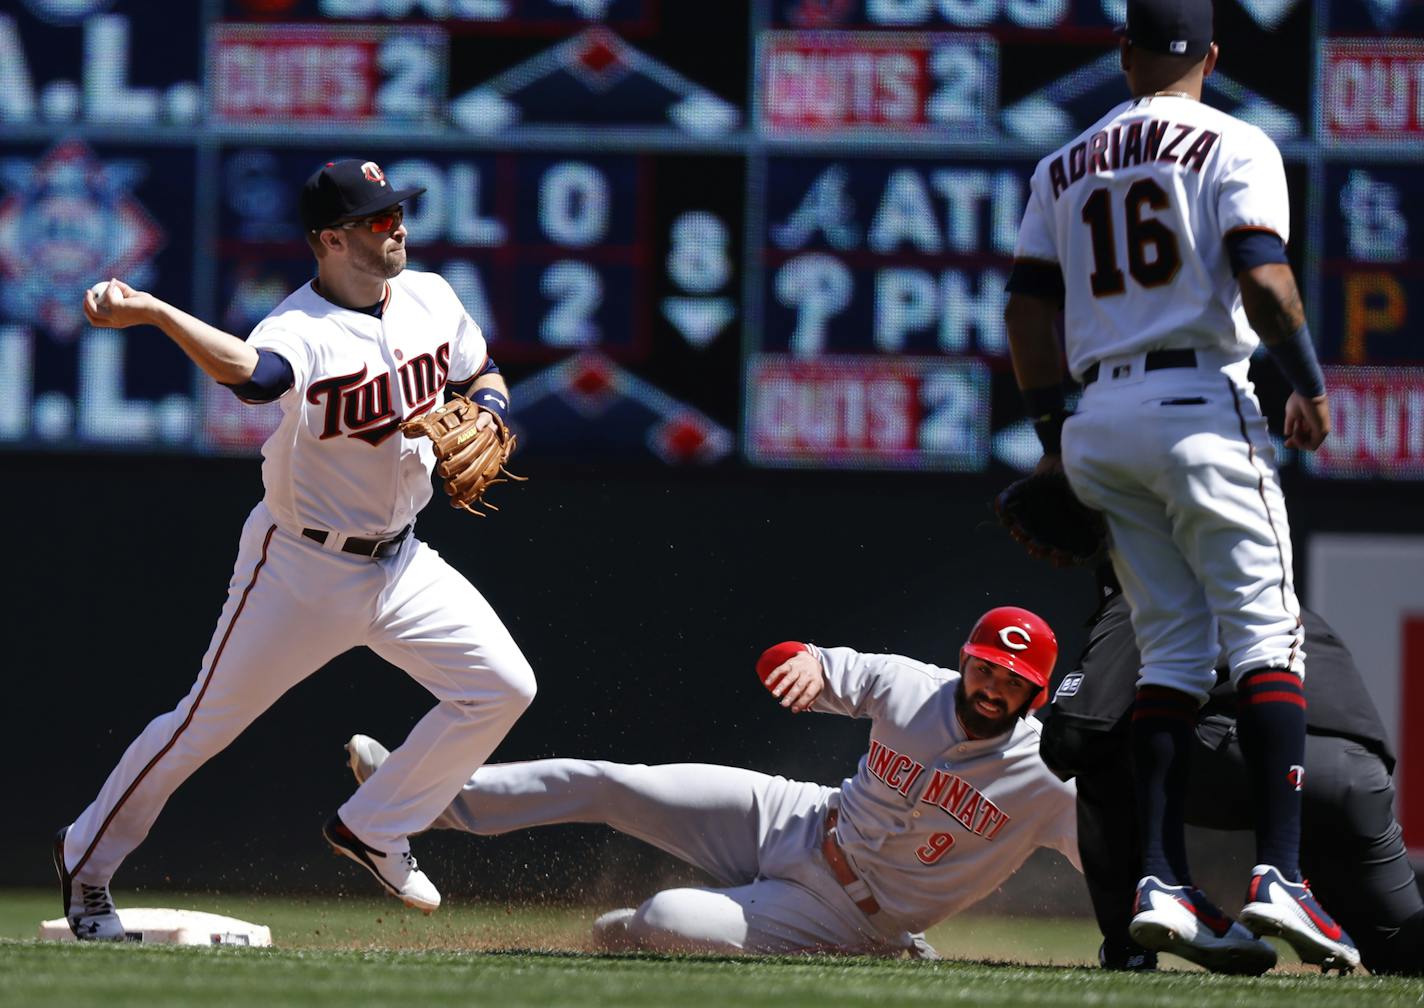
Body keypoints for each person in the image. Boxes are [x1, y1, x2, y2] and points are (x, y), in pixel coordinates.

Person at [56, 159, 537, 940]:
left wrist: (487, 411)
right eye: (378, 220)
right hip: (299, 570)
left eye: (397, 213)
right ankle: (86, 862)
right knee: (199, 726)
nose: (397, 229)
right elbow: (250, 374)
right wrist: (154, 312)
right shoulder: (298, 329)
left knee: (503, 686)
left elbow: (483, 373)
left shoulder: (432, 297)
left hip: (404, 562)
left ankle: (375, 826)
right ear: (329, 241)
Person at [1003, 0, 1357, 973]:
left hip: (1098, 419)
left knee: (1169, 653)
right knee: (1264, 635)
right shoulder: (1231, 142)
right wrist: (1306, 381)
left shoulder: (1061, 163)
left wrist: (1051, 438)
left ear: (1122, 54)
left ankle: (1159, 879)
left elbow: (1026, 312)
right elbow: (1262, 277)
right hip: (1201, 401)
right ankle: (1279, 876)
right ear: (1208, 53)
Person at [344, 608, 1079, 956]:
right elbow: (795, 657)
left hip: (849, 918)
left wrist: (1142, 938)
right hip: (802, 819)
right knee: (616, 784)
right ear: (966, 658)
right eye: (984, 667)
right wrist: (809, 665)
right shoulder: (911, 686)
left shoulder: (1049, 778)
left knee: (664, 918)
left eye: (1010, 681)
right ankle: (414, 799)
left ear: (1035, 692)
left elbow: (1118, 863)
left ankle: (629, 938)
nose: (990, 686)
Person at [1041, 564, 1424, 975]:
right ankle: (1286, 885)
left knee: (1100, 750)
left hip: (1255, 760)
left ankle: (1138, 933)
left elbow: (1075, 734)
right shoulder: (1278, 600)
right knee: (1407, 957)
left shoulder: (1157, 586)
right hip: (1361, 782)